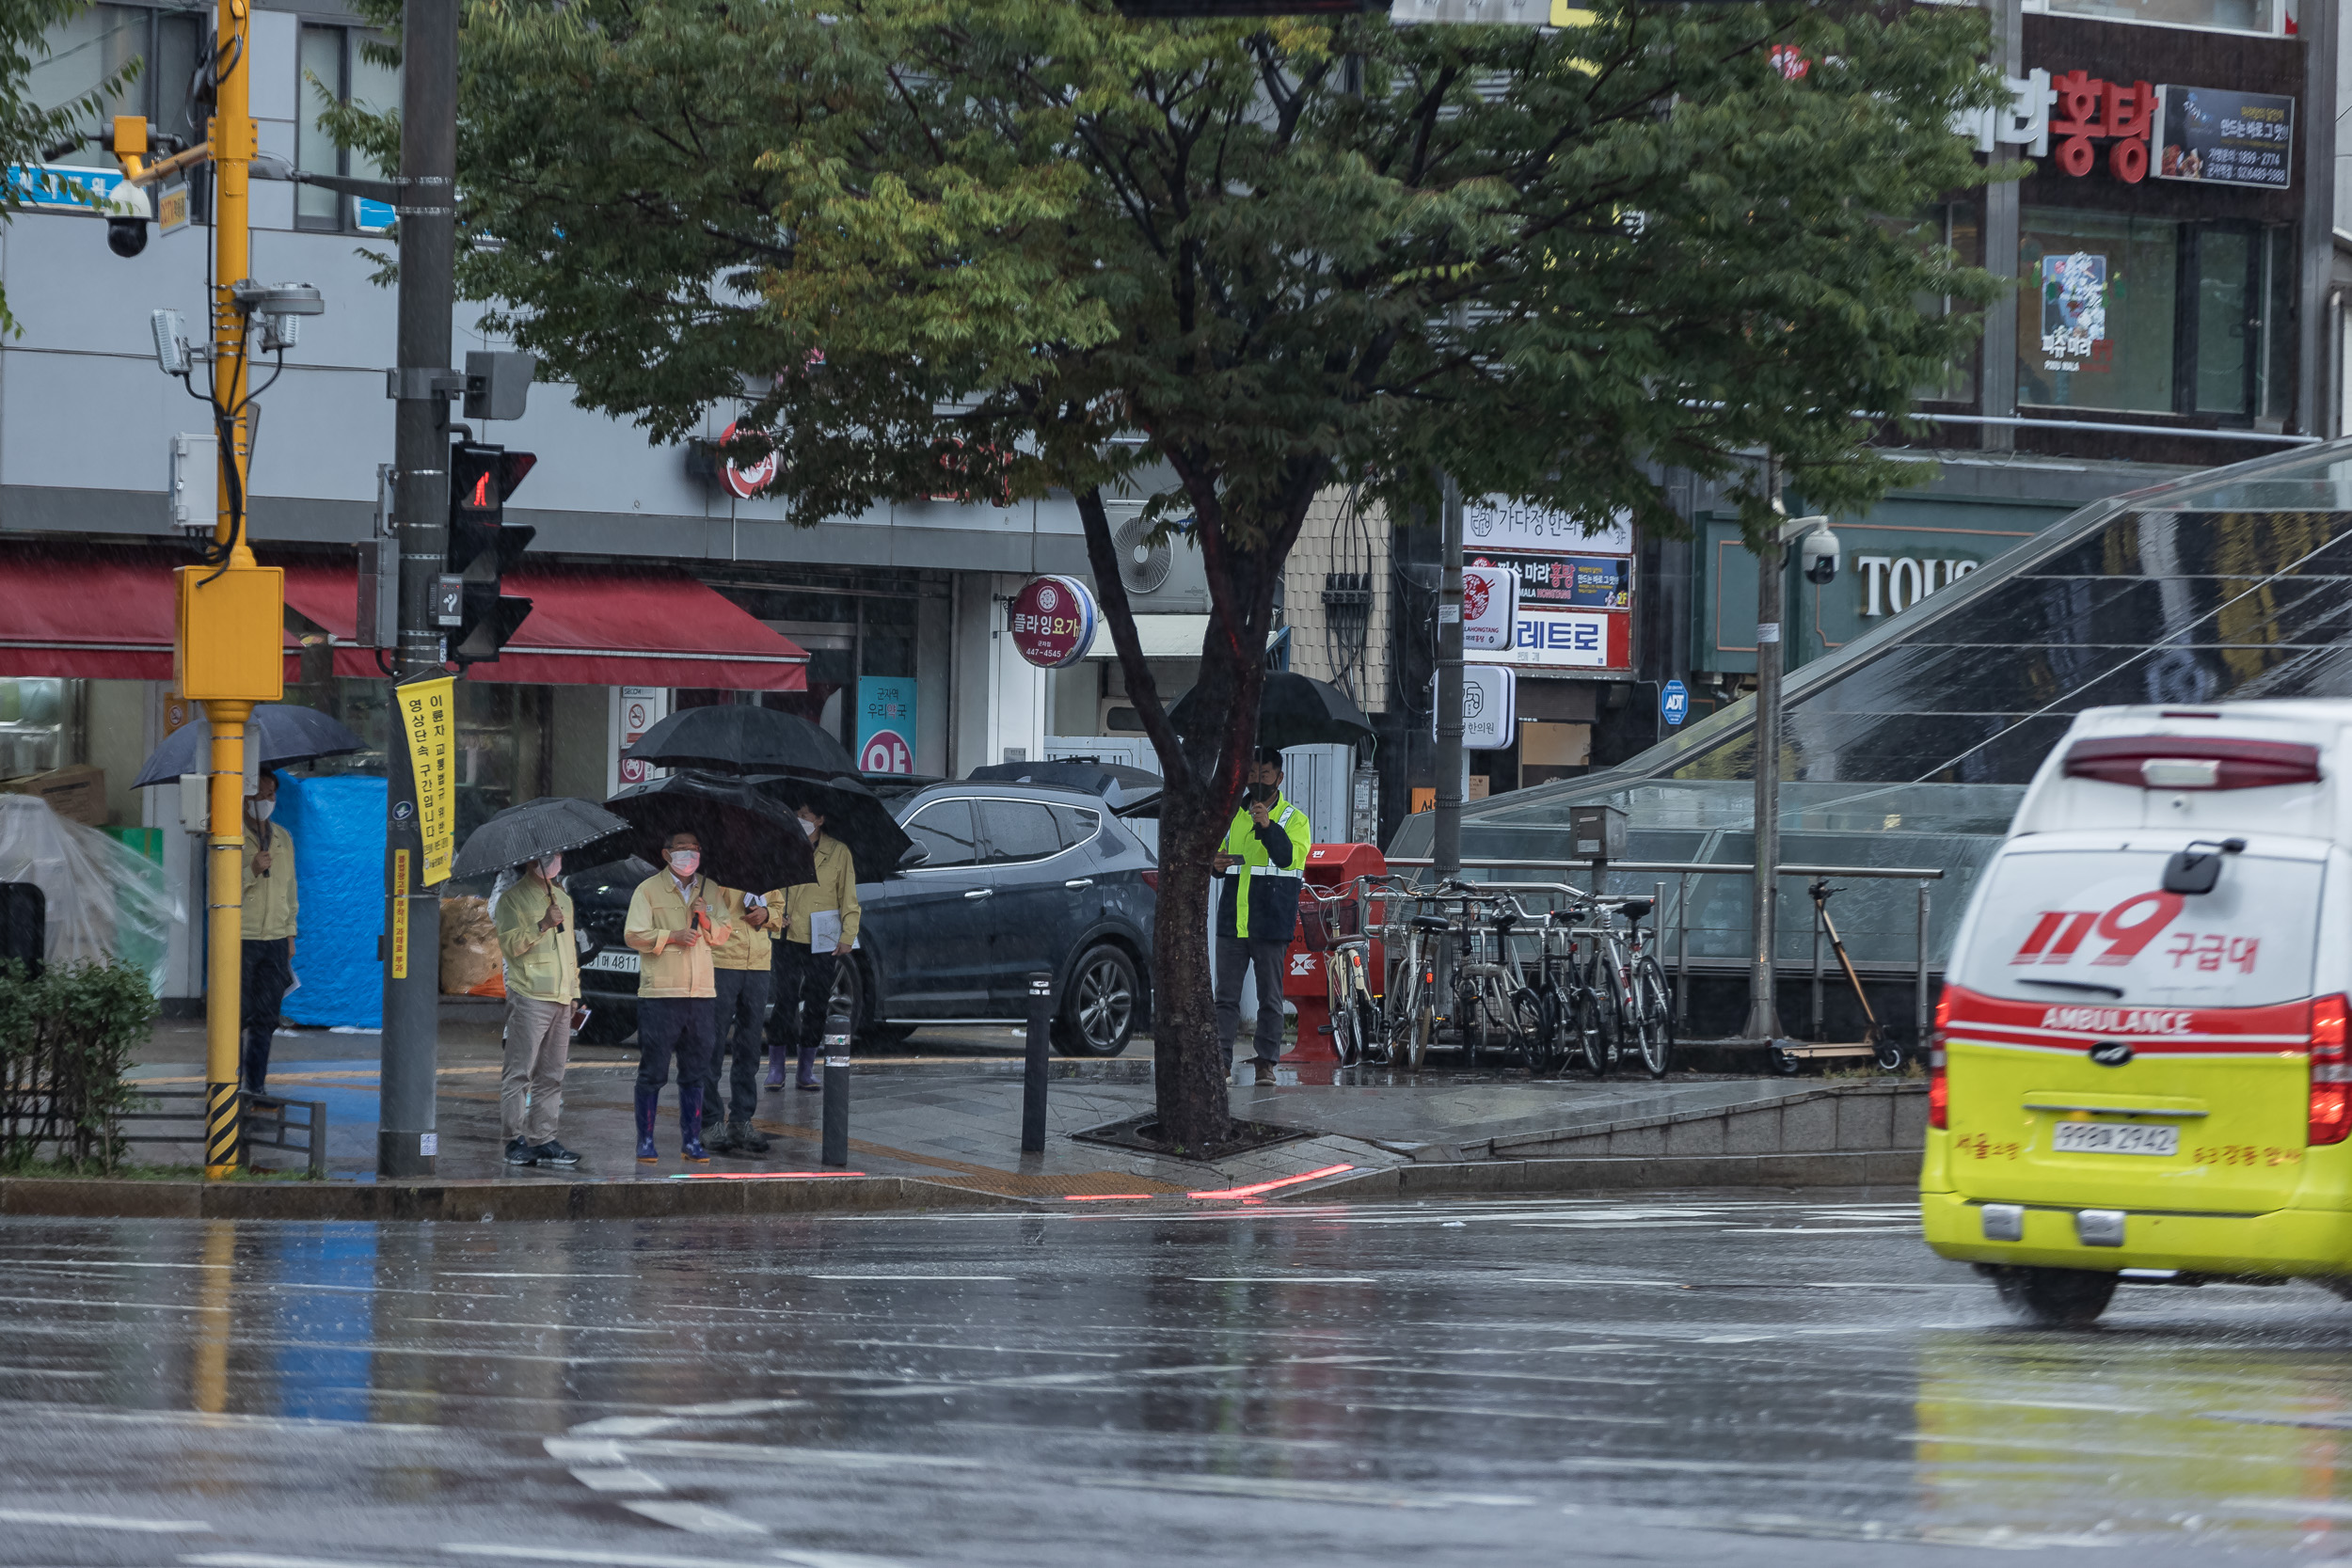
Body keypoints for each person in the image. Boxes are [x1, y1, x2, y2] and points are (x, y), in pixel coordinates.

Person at [623, 831, 732, 1163]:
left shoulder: (709, 888)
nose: (690, 855)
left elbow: (723, 934)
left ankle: (691, 1140)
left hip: (701, 995)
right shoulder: (648, 890)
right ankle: (645, 1141)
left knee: (695, 1071)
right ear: (666, 854)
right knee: (653, 1071)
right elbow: (633, 934)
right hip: (661, 994)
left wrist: (704, 916)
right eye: (682, 850)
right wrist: (671, 936)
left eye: (695, 849)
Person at [1213, 747, 1311, 1085]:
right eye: (1252, 775)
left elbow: (1287, 859)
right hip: (1233, 919)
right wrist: (1216, 864)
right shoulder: (1233, 815)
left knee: (1270, 997)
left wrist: (1268, 827)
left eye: (1265, 775)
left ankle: (1266, 1063)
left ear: (1279, 778)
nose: (1257, 781)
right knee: (1225, 997)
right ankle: (1221, 1062)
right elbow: (1223, 859)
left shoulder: (1294, 820)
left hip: (1270, 920)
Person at [493, 851, 581, 1168]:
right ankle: (513, 1139)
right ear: (532, 861)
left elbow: (569, 952)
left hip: (561, 998)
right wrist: (542, 924)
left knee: (552, 1075)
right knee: (520, 1072)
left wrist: (574, 993)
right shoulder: (511, 900)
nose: (556, 860)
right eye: (549, 856)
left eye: (558, 855)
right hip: (530, 994)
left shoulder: (563, 899)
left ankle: (544, 1137)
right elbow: (511, 945)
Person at [771, 802, 861, 1091]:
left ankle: (806, 1069)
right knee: (784, 1002)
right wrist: (775, 914)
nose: (800, 821)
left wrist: (848, 935)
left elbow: (848, 898)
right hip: (786, 938)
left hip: (823, 940)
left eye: (805, 816)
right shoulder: (783, 846)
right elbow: (767, 887)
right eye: (796, 815)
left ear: (820, 819)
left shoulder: (839, 853)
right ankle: (776, 1068)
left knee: (817, 1003)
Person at [704, 879, 783, 1154]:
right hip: (722, 961)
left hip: (758, 964)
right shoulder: (713, 870)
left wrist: (767, 914)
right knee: (711, 1043)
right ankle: (709, 1121)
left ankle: (741, 1120)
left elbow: (779, 912)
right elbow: (706, 912)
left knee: (749, 1046)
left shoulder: (766, 869)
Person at [240, 773, 297, 1104]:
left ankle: (256, 1086)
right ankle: (224, 1084)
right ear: (246, 796)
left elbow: (290, 890)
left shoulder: (283, 838)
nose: (266, 797)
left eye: (271, 792)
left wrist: (290, 935)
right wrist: (251, 869)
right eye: (259, 792)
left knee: (265, 1016)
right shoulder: (231, 836)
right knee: (235, 1015)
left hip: (275, 939)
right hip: (242, 937)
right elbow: (220, 890)